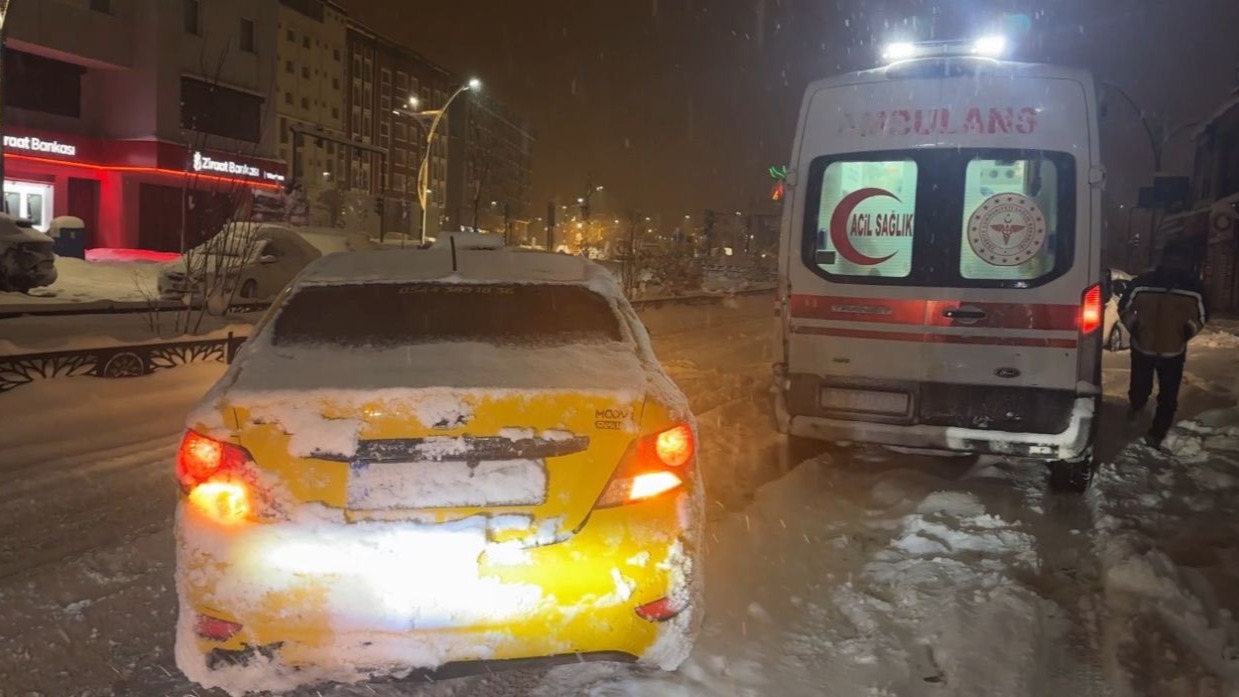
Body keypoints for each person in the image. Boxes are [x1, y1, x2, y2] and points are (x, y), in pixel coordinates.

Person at [1118, 240, 1209, 447]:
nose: (1175, 264)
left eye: (1180, 261)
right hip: (1143, 346)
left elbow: (1202, 316)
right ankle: (1137, 406)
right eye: (1171, 259)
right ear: (1163, 260)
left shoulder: (1194, 288)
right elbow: (1124, 306)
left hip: (1173, 351)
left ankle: (1157, 433)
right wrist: (1135, 328)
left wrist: (1185, 332)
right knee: (1140, 387)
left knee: (1168, 396)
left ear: (1186, 263)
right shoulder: (1143, 282)